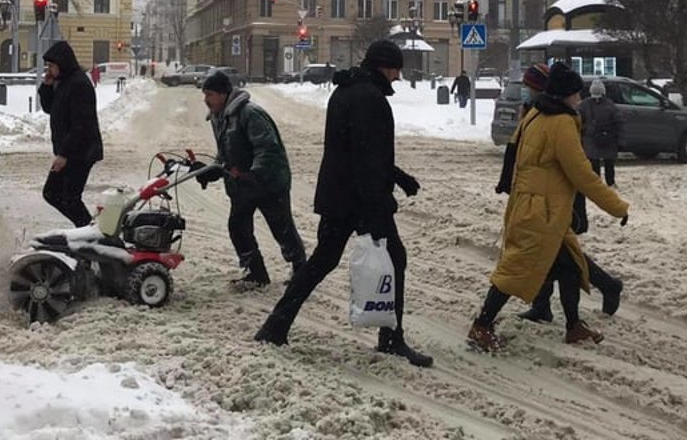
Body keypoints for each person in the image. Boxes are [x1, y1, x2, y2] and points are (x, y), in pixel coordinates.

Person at [255, 40, 433, 367]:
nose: (397, 77)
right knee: (395, 257)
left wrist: (398, 176)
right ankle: (391, 339)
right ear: (385, 66)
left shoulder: (346, 91)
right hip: (360, 199)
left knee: (321, 262)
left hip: (338, 194)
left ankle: (276, 324)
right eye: (396, 70)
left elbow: (355, 149)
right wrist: (380, 206)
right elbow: (368, 160)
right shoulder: (371, 99)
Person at [467, 61, 629, 353]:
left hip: (540, 208)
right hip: (541, 213)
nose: (580, 99)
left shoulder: (536, 114)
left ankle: (573, 326)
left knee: (570, 267)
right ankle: (482, 325)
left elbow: (515, 155)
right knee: (515, 269)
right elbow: (582, 173)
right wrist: (617, 206)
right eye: (576, 94)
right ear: (567, 95)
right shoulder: (561, 123)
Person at [196, 70, 307, 289]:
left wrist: (254, 175)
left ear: (223, 93)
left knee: (281, 227)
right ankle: (256, 274)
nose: (206, 100)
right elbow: (225, 154)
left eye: (209, 94)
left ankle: (301, 270)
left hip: (269, 182)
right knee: (238, 226)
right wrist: (212, 170)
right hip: (242, 185)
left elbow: (267, 149)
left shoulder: (250, 114)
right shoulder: (219, 117)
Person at [38, 41, 104, 227]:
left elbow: (81, 125)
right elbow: (50, 108)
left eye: (51, 66)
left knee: (67, 197)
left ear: (62, 63)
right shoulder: (64, 82)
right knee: (55, 194)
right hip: (72, 150)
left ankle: (90, 234)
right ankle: (88, 231)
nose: (49, 70)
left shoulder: (78, 84)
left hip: (81, 152)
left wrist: (64, 154)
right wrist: (46, 87)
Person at [579, 80, 623, 188]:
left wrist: (585, 129)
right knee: (609, 162)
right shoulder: (610, 105)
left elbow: (578, 120)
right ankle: (610, 182)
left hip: (590, 138)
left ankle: (596, 183)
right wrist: (614, 133)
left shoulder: (584, 105)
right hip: (607, 137)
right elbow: (618, 121)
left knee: (594, 162)